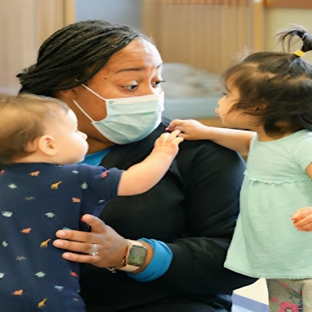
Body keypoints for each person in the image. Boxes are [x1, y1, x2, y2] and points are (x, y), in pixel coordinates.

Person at [12, 20, 256, 312]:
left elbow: (241, 259)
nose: (150, 98)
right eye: (130, 85)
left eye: (156, 83)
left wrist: (130, 254)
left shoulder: (198, 152)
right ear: (68, 88)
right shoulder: (14, 149)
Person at [168, 24, 312, 311]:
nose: (220, 101)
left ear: (259, 107)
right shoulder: (266, 139)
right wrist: (207, 132)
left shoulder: (303, 144)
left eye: (227, 94)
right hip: (284, 260)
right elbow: (247, 143)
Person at [0, 93, 183, 312]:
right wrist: (164, 152)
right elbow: (137, 181)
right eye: (75, 131)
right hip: (53, 299)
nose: (84, 136)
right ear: (48, 144)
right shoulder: (77, 176)